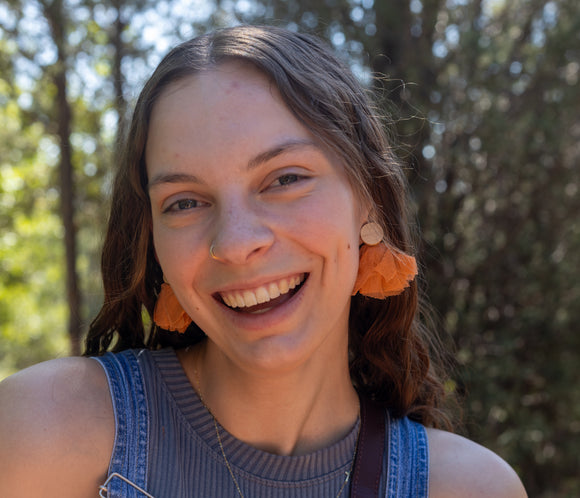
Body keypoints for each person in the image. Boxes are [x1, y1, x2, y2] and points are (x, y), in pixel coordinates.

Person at [0, 25, 526, 497]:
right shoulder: (41, 430)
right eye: (184, 202)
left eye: (285, 179)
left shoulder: (470, 488)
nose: (234, 242)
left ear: (367, 199)